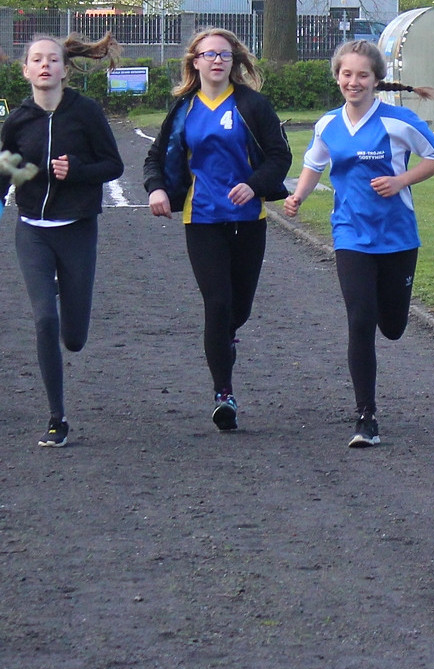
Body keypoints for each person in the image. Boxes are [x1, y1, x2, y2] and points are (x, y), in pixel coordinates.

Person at [283, 40, 434, 447]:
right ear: (337, 77)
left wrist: (400, 181)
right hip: (350, 235)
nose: (353, 82)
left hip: (397, 238)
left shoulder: (398, 121)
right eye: (346, 74)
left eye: (362, 75)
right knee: (359, 320)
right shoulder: (327, 124)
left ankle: (387, 310)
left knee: (391, 327)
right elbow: (313, 164)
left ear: (376, 79)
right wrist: (298, 196)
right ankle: (365, 416)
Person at [143, 28, 291, 432]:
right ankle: (223, 394)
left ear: (234, 61)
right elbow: (156, 156)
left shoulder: (252, 105)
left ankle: (223, 345)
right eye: (208, 55)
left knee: (238, 309)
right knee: (218, 303)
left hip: (248, 221)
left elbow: (280, 156)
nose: (216, 61)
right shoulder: (183, 109)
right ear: (195, 62)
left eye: (224, 55)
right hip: (203, 218)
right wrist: (157, 188)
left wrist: (255, 184)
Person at [0, 33, 124, 448]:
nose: (45, 66)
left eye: (52, 60)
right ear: (26, 70)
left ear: (65, 69)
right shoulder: (17, 120)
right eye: (37, 60)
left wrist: (79, 171)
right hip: (32, 231)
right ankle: (58, 417)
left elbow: (113, 164)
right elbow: (5, 172)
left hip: (77, 230)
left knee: (73, 336)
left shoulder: (85, 113)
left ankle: (67, 308)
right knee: (44, 320)